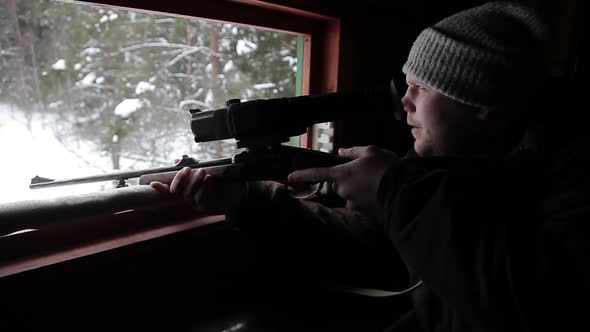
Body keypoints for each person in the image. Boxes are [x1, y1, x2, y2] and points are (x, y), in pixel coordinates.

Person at [151, 2, 590, 331]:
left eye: (421, 88)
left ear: (480, 105)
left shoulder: (576, 172)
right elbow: (377, 244)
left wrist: (395, 191)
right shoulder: (452, 155)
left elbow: (534, 300)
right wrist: (245, 202)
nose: (404, 102)